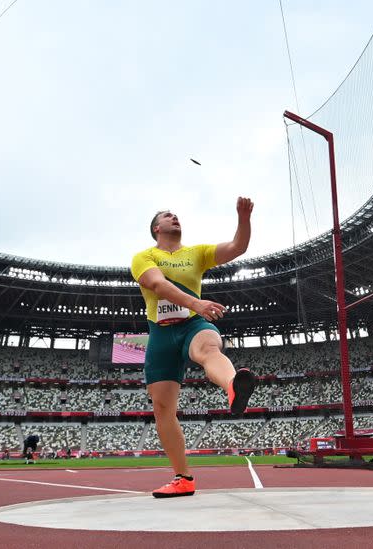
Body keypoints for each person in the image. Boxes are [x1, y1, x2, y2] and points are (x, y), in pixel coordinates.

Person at [130, 196, 257, 498]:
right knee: (162, 409)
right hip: (160, 335)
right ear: (156, 228)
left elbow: (237, 247)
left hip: (193, 325)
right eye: (166, 215)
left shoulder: (197, 253)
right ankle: (183, 478)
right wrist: (196, 302)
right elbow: (159, 285)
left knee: (209, 350)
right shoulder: (143, 257)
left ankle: (233, 387)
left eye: (175, 215)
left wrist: (243, 218)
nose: (174, 217)